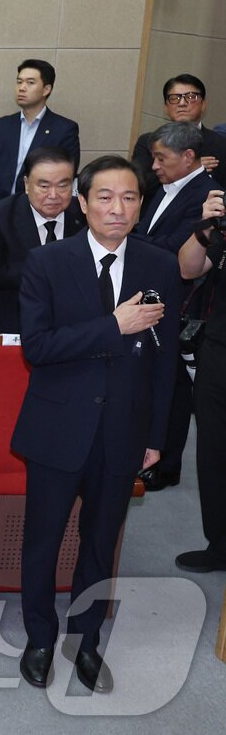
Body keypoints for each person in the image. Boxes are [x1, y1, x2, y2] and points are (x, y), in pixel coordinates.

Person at [14, 155, 179, 693]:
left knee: (101, 541)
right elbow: (38, 348)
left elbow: (166, 361)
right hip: (58, 427)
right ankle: (40, 637)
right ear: (82, 203)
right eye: (105, 197)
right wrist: (114, 325)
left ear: (141, 205)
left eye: (129, 197)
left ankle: (86, 640)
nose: (117, 208)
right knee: (43, 540)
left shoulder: (159, 265)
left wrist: (156, 437)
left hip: (124, 429)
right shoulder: (47, 262)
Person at [132, 122, 218, 493]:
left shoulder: (207, 195)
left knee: (175, 387)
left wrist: (128, 240)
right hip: (152, 297)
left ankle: (166, 465)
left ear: (188, 157)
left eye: (161, 158)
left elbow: (173, 247)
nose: (154, 166)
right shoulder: (163, 187)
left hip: (180, 301)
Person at [176, 186, 226, 575]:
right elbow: (188, 269)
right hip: (219, 350)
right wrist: (205, 227)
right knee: (213, 451)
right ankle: (220, 545)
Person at [0, 147, 84, 334]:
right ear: (26, 184)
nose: (53, 195)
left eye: (63, 185)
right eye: (44, 186)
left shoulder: (86, 216)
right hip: (15, 323)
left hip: (73, 326)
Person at [0, 59, 80, 206]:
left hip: (37, 210)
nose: (22, 88)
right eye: (19, 82)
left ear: (46, 89)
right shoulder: (0, 126)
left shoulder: (64, 130)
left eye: (30, 83)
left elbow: (65, 175)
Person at [131, 75, 225, 195]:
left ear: (203, 104)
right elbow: (136, 182)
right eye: (174, 98)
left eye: (190, 97)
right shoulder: (147, 142)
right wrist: (187, 169)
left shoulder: (221, 144)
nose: (182, 103)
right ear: (166, 107)